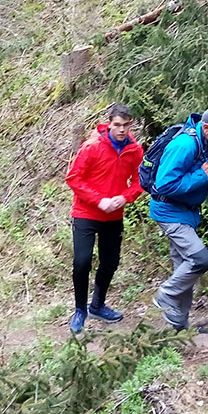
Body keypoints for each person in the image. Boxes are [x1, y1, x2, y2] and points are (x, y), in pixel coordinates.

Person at [149, 105, 208, 330]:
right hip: (169, 212)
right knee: (199, 259)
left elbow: (195, 173)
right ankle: (165, 295)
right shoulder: (185, 145)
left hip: (186, 212)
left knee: (184, 268)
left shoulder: (205, 143)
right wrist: (202, 175)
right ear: (206, 127)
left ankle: (179, 326)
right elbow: (164, 184)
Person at [64, 103, 145, 334]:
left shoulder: (134, 150)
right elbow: (74, 178)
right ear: (109, 124)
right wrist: (99, 200)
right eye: (117, 125)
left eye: (126, 125)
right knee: (82, 262)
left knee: (110, 262)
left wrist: (125, 197)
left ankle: (97, 306)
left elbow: (140, 181)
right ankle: (80, 310)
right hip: (86, 213)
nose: (121, 129)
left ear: (131, 125)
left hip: (114, 215)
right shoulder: (92, 146)